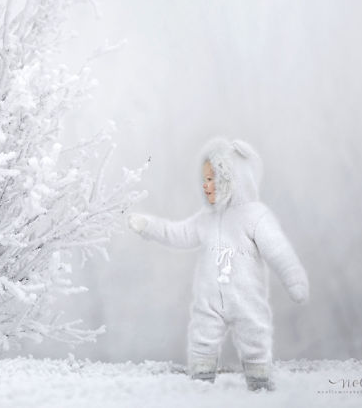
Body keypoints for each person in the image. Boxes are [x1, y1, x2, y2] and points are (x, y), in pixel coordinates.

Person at [127, 137, 309, 392]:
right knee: (202, 337)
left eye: (212, 179)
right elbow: (176, 233)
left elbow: (279, 252)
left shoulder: (255, 216)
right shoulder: (206, 219)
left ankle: (259, 383)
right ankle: (201, 383)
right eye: (204, 180)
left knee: (255, 335)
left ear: (232, 180)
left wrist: (295, 281)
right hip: (209, 301)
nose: (205, 185)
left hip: (247, 299)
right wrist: (148, 226)